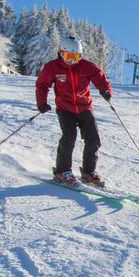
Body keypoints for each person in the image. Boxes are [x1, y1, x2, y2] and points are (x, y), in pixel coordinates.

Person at [36, 35, 113, 187]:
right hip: (65, 108)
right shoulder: (52, 67)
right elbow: (42, 85)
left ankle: (88, 172)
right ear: (61, 52)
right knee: (69, 136)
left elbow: (100, 78)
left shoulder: (86, 66)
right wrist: (42, 103)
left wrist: (105, 90)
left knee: (93, 139)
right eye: (68, 56)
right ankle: (62, 171)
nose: (71, 61)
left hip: (85, 107)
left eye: (76, 57)